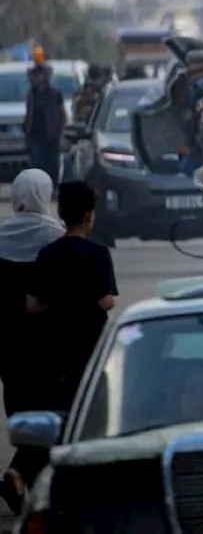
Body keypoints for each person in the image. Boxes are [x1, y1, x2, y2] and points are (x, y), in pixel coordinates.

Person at [0, 169, 64, 510]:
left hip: (7, 340)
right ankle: (21, 474)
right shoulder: (57, 237)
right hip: (47, 340)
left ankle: (22, 479)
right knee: (50, 412)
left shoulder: (0, 238)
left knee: (19, 408)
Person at [28, 181, 117, 410]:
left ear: (60, 213)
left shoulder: (47, 254)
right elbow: (106, 302)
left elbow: (33, 304)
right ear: (89, 216)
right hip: (90, 343)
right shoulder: (98, 253)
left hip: (56, 344)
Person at [23, 63, 66, 181]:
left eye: (38, 75)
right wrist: (27, 131)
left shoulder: (55, 94)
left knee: (51, 164)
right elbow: (28, 114)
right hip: (35, 135)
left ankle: (52, 187)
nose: (36, 78)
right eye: (34, 75)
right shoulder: (31, 94)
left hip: (51, 135)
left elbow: (62, 115)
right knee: (36, 164)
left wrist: (60, 133)